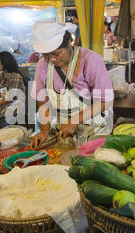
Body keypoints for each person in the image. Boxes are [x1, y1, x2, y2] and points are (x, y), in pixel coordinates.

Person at [29, 21, 114, 150]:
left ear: (69, 43)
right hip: (64, 133)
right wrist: (44, 131)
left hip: (95, 131)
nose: (51, 59)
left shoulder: (90, 60)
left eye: (56, 54)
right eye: (46, 55)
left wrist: (75, 120)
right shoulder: (43, 64)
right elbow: (43, 101)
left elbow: (105, 101)